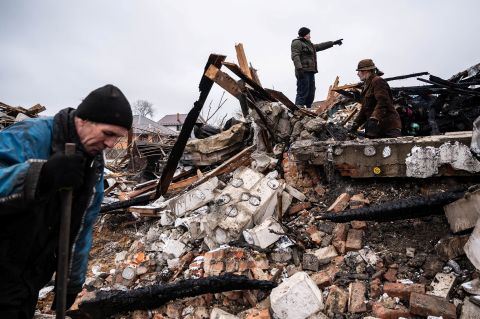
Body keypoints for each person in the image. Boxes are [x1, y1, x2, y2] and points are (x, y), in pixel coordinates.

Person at [0, 84, 132, 318]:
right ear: (83, 121)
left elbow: (83, 224)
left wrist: (72, 280)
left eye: (118, 137)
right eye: (108, 134)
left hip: (28, 277)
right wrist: (41, 175)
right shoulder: (29, 136)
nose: (111, 145)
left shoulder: (93, 163)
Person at [291, 27, 343, 108]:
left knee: (311, 91)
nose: (310, 36)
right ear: (305, 35)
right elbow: (295, 56)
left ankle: (308, 107)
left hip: (311, 70)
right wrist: (299, 68)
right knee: (303, 89)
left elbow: (320, 46)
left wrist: (333, 43)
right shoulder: (297, 43)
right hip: (303, 70)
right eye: (309, 34)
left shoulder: (309, 44)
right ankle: (298, 107)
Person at [350, 59, 402, 138]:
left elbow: (383, 101)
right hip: (377, 129)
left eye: (359, 71)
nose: (357, 74)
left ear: (365, 71)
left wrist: (374, 118)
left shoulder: (377, 81)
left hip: (388, 127)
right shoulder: (366, 86)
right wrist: (356, 123)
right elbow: (364, 108)